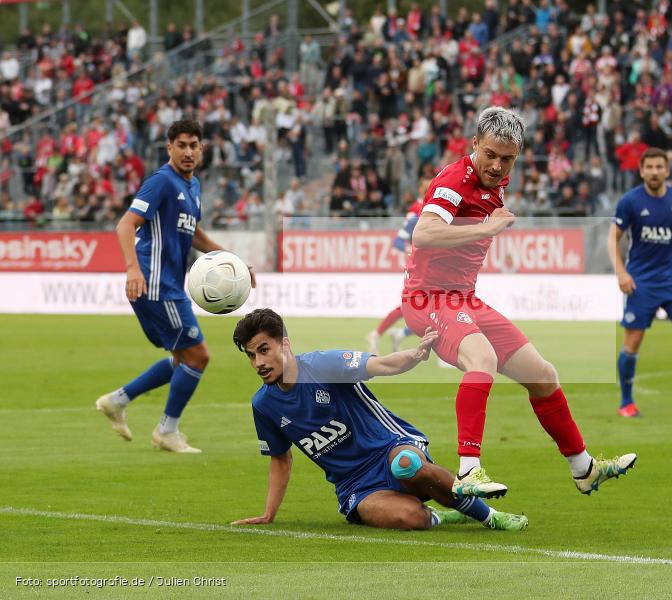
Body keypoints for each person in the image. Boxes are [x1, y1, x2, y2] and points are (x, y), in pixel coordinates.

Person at [401, 106, 637, 498]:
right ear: (474, 143)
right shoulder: (454, 180)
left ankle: (584, 468)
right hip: (428, 299)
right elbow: (424, 235)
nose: (496, 165)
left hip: (462, 298)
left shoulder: (496, 182)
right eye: (490, 154)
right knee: (484, 360)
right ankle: (467, 471)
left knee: (542, 374)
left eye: (506, 158)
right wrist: (486, 227)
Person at [230, 308, 528, 531]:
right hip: (355, 486)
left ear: (284, 344)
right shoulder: (264, 404)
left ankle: (490, 516)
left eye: (264, 350)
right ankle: (446, 512)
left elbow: (382, 364)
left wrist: (413, 354)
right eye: (251, 356)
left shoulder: (324, 365)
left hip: (390, 448)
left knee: (406, 465)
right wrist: (269, 513)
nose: (258, 363)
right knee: (414, 518)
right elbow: (280, 460)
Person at [95, 119, 255, 453]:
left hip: (169, 286)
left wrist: (234, 262)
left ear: (201, 149)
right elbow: (125, 226)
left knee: (183, 359)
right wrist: (132, 270)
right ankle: (167, 430)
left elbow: (195, 234)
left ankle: (117, 400)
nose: (187, 151)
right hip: (156, 284)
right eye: (180, 145)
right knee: (198, 356)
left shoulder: (193, 187)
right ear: (169, 148)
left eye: (193, 145)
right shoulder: (161, 182)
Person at [607, 147, 672, 418]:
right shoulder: (630, 201)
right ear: (641, 171)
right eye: (649, 167)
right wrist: (621, 273)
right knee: (634, 340)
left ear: (666, 170)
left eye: (658, 167)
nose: (654, 172)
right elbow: (613, 238)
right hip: (641, 281)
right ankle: (626, 402)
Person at [366, 194, 424, 354]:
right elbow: (398, 241)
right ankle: (380, 334)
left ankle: (394, 334)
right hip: (418, 268)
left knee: (426, 310)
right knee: (417, 308)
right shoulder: (416, 218)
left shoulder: (444, 217)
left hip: (436, 269)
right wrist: (409, 249)